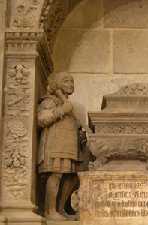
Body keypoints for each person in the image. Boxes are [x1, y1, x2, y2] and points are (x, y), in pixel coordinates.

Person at [37, 72, 85, 220]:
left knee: (72, 178)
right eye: (66, 81)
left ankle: (60, 208)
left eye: (72, 81)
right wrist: (62, 110)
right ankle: (49, 210)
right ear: (57, 84)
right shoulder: (50, 101)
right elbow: (41, 120)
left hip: (70, 147)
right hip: (54, 145)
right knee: (55, 176)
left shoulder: (71, 105)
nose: (70, 84)